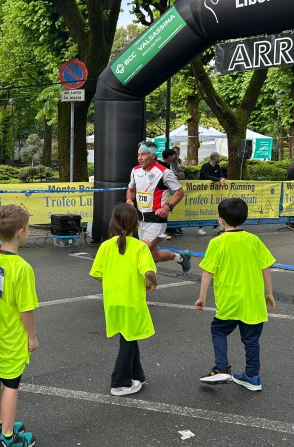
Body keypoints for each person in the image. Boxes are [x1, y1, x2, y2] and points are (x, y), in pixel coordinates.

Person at [196, 198, 276, 392]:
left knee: (219, 330)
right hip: (253, 300)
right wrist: (269, 293)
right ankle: (252, 376)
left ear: (221, 219)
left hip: (229, 300)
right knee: (251, 340)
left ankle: (222, 367)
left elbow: (207, 273)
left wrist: (202, 297)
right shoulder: (254, 240)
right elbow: (265, 267)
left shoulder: (217, 242)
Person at [0, 205, 38, 447]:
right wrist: (32, 336)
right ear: (20, 232)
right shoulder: (23, 268)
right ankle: (8, 436)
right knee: (12, 384)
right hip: (12, 334)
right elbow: (26, 308)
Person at [90, 203, 157, 397]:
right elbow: (149, 272)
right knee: (128, 340)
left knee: (129, 336)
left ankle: (137, 374)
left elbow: (96, 273)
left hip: (112, 300)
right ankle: (119, 382)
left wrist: (112, 281)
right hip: (132, 301)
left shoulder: (105, 246)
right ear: (137, 224)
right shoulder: (139, 247)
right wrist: (153, 283)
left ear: (112, 223)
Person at [125, 141, 191, 272]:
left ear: (153, 156)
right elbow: (131, 190)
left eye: (144, 154)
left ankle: (144, 281)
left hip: (157, 219)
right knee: (154, 256)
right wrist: (129, 200)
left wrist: (167, 207)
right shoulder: (135, 170)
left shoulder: (164, 172)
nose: (140, 158)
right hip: (141, 219)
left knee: (142, 250)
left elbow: (179, 192)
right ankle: (181, 258)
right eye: (139, 154)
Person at [198, 152, 227, 236]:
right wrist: (218, 179)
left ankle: (215, 226)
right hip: (204, 191)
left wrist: (222, 178)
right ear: (215, 158)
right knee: (202, 208)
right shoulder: (205, 166)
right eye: (219, 157)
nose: (220, 159)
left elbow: (221, 175)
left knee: (216, 207)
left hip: (214, 192)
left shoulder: (217, 166)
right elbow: (207, 176)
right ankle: (200, 227)